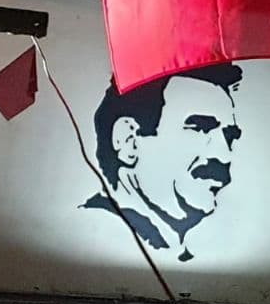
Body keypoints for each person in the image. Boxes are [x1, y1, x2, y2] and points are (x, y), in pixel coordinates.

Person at [83, 65, 243, 262]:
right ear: (128, 141)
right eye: (199, 127)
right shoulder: (94, 237)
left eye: (229, 136)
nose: (224, 155)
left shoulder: (173, 244)